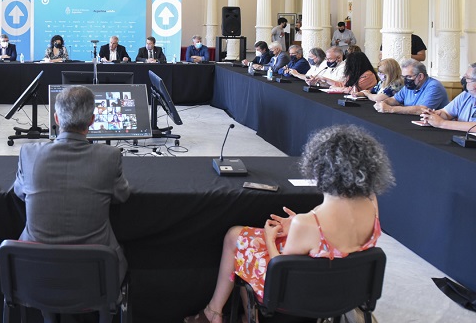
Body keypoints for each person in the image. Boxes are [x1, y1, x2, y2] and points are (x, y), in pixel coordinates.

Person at [184, 125, 392, 323]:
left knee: (236, 238)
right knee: (238, 238)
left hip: (301, 291)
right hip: (347, 286)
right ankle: (220, 312)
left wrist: (269, 238)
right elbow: (334, 231)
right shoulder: (371, 202)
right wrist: (299, 222)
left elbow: (281, 271)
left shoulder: (308, 223)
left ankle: (222, 313)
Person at [13, 85, 130, 281]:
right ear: (92, 120)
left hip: (34, 273)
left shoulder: (28, 154)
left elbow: (20, 192)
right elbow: (122, 195)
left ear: (56, 119)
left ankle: (48, 309)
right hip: (97, 276)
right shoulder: (110, 156)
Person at [374, 59, 449, 115]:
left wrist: (391, 109)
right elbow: (395, 99)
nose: (405, 80)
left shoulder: (434, 86)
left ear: (420, 76)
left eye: (408, 76)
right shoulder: (410, 86)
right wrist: (383, 103)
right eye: (403, 77)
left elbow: (422, 109)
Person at [419, 63, 476, 131]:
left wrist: (442, 123)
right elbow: (447, 113)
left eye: (467, 78)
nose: (464, 81)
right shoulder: (465, 95)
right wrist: (434, 115)